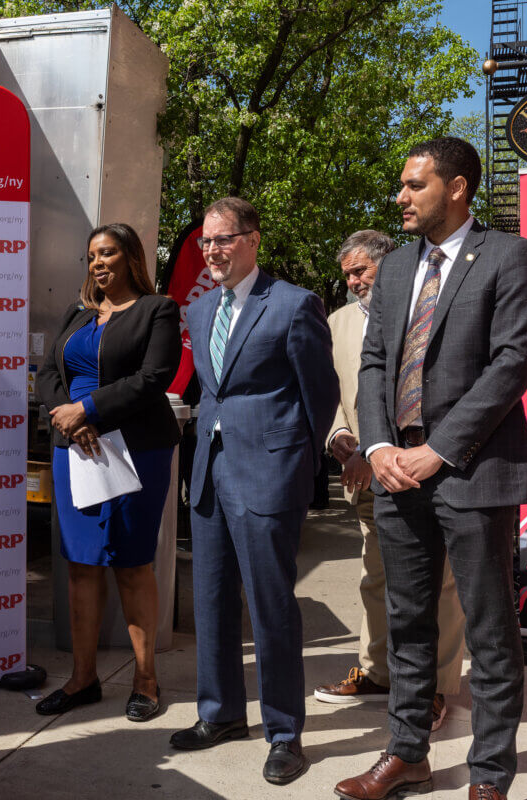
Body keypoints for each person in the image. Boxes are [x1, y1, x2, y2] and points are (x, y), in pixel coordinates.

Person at [337, 138, 527, 800]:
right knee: (406, 621)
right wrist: (377, 448)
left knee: (487, 628)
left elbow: (511, 364)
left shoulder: (510, 256)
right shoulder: (396, 268)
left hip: (472, 467)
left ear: (455, 188)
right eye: (401, 185)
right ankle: (408, 754)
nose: (399, 196)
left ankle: (489, 778)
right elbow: (374, 364)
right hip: (397, 469)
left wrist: (439, 449)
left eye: (413, 185)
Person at [169, 197, 337, 785]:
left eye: (223, 240)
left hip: (268, 476)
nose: (212, 251)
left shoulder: (293, 305)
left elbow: (320, 393)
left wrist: (298, 466)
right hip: (210, 474)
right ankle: (219, 714)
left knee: (271, 608)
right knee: (211, 601)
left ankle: (285, 732)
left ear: (253, 241)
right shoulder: (199, 309)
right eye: (206, 243)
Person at [314, 230, 464, 733]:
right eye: (348, 275)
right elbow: (327, 390)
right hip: (362, 472)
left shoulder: (424, 308)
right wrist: (342, 440)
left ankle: (437, 689)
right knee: (375, 576)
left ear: (389, 266)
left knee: (437, 583)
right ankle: (378, 672)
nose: (354, 281)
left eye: (362, 271)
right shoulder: (335, 323)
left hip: (424, 468)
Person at [36, 223, 181, 722]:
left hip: (134, 449)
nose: (98, 264)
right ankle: (82, 680)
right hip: (73, 450)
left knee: (132, 562)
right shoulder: (77, 314)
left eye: (108, 254)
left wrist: (90, 410)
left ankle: (145, 681)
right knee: (80, 563)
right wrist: (69, 417)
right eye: (92, 256)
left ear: (130, 258)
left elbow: (154, 378)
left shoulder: (156, 310)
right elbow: (50, 374)